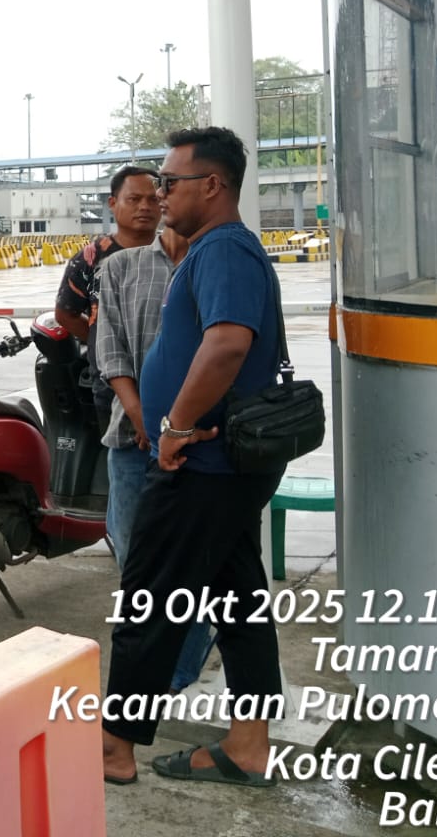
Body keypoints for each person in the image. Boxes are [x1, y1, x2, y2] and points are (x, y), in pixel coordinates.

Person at [100, 127, 285, 789]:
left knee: (148, 598)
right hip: (223, 464)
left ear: (211, 185)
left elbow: (228, 343)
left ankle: (114, 748)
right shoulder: (216, 250)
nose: (160, 195)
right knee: (239, 600)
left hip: (201, 465)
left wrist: (176, 425)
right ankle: (248, 747)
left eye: (170, 183)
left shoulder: (224, 249)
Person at [94, 222, 214, 692]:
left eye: (163, 190)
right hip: (132, 438)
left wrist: (176, 424)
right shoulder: (122, 266)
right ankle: (150, 664)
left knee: (190, 560)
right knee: (133, 557)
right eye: (152, 192)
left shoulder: (213, 263)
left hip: (193, 442)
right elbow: (110, 349)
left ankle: (182, 669)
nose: (157, 202)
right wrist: (140, 414)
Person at [54, 167, 161, 432]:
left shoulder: (176, 252)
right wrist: (100, 341)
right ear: (112, 203)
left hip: (166, 375)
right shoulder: (91, 258)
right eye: (134, 199)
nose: (145, 207)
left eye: (153, 199)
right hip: (109, 382)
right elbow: (66, 314)